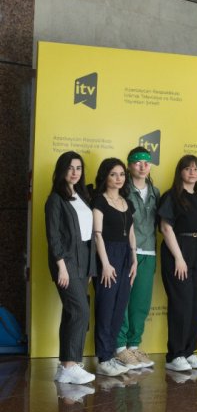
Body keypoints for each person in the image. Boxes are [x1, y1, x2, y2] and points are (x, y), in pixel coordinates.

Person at [159, 155, 197, 372]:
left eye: (196, 169)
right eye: (188, 168)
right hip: (178, 250)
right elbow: (166, 228)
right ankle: (175, 354)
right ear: (180, 171)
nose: (192, 172)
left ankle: (189, 351)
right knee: (181, 303)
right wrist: (178, 257)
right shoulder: (172, 196)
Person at [46, 151, 97, 384]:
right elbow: (53, 236)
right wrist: (61, 267)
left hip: (83, 260)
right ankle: (71, 365)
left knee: (71, 313)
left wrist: (89, 267)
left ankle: (64, 367)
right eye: (70, 168)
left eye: (78, 168)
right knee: (79, 311)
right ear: (61, 170)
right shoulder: (55, 199)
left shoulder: (82, 196)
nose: (75, 172)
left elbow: (88, 235)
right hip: (66, 261)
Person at [91, 158, 138, 377]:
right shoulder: (99, 201)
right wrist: (106, 264)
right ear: (105, 176)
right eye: (113, 174)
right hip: (107, 255)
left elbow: (131, 233)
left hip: (126, 255)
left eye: (121, 174)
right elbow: (97, 234)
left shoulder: (127, 202)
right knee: (106, 307)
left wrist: (134, 258)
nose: (118, 178)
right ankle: (103, 358)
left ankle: (111, 355)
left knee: (119, 307)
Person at [116, 147, 159, 369]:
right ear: (129, 165)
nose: (142, 166)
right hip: (126, 251)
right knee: (122, 300)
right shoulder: (122, 189)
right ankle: (119, 347)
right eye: (137, 162)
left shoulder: (155, 192)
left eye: (146, 162)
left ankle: (134, 346)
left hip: (148, 252)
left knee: (140, 303)